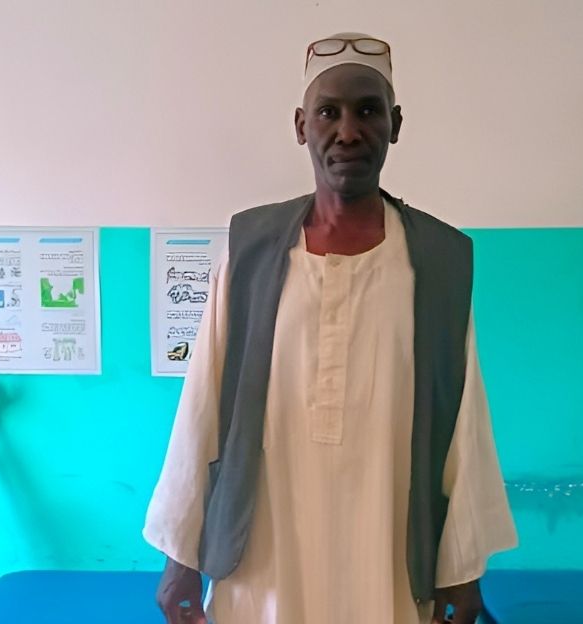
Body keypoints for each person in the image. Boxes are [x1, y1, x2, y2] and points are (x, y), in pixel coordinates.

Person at [144, 33, 517, 624]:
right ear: (301, 126)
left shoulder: (440, 262)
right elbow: (203, 408)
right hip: (264, 563)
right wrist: (180, 558)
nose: (348, 131)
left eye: (368, 111)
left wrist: (462, 570)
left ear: (395, 124)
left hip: (389, 563)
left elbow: (463, 422)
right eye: (328, 112)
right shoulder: (250, 252)